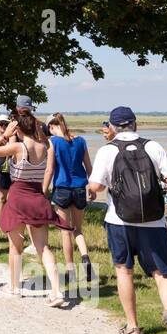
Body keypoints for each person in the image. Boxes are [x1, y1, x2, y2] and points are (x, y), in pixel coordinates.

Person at [86, 106, 167, 334]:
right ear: (135, 124)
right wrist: (157, 182)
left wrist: (93, 189)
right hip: (154, 220)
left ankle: (133, 327)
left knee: (124, 270)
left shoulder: (107, 151)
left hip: (119, 220)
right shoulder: (152, 146)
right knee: (162, 271)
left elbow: (97, 186)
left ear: (111, 127)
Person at [0, 106, 66, 307]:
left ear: (18, 128)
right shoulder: (45, 146)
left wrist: (5, 136)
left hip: (18, 197)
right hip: (37, 196)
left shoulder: (19, 147)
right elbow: (47, 169)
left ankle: (13, 287)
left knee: (16, 245)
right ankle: (57, 291)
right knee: (43, 247)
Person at [46, 112, 94, 287]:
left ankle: (71, 270)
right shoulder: (81, 141)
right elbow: (89, 167)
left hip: (62, 189)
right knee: (78, 230)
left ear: (52, 127)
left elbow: (50, 169)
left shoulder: (53, 142)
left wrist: (43, 191)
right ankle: (85, 257)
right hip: (80, 188)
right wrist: (94, 189)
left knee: (65, 231)